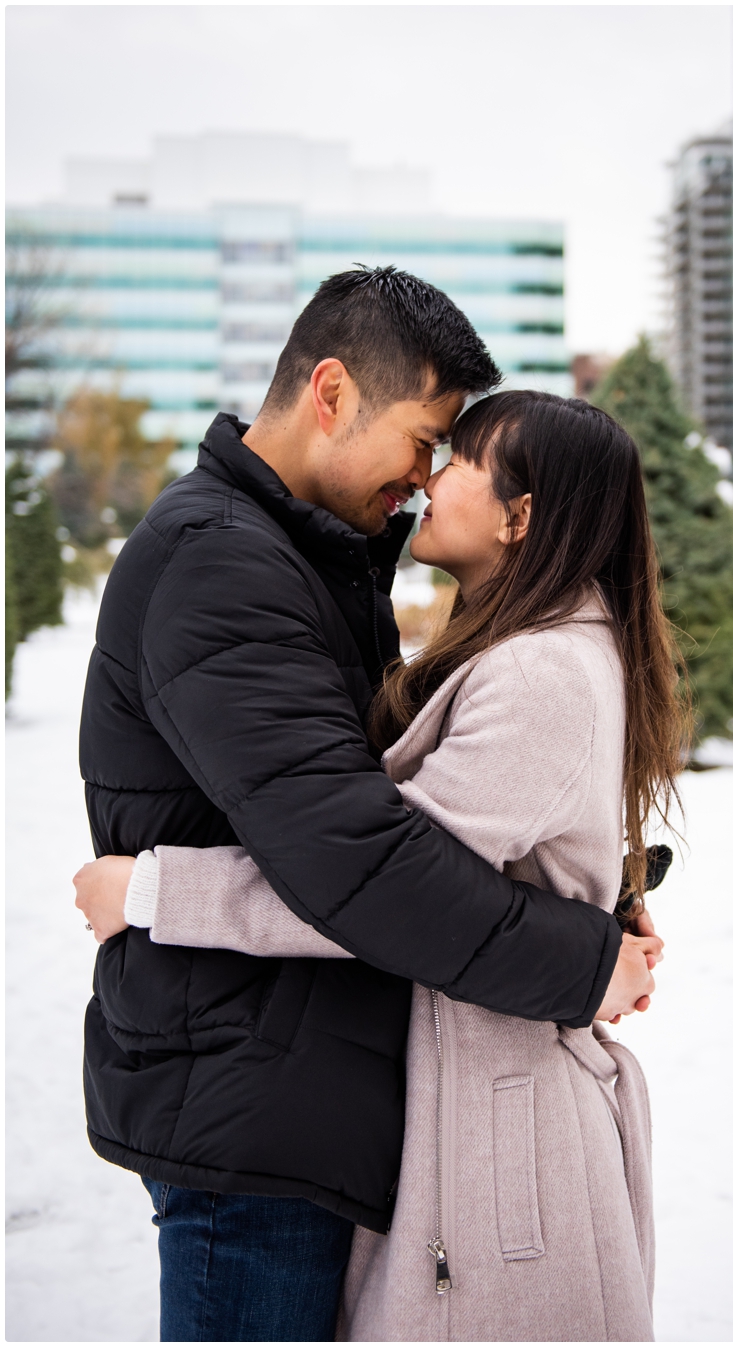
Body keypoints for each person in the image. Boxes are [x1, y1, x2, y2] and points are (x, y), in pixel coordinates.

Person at [72, 269, 648, 1341]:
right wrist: (581, 956)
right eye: (427, 439)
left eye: (451, 455)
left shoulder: (309, 557)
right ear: (331, 395)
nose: (426, 477)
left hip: (297, 1093)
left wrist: (607, 898)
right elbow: (363, 863)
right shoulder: (226, 567)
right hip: (255, 1106)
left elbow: (405, 824)